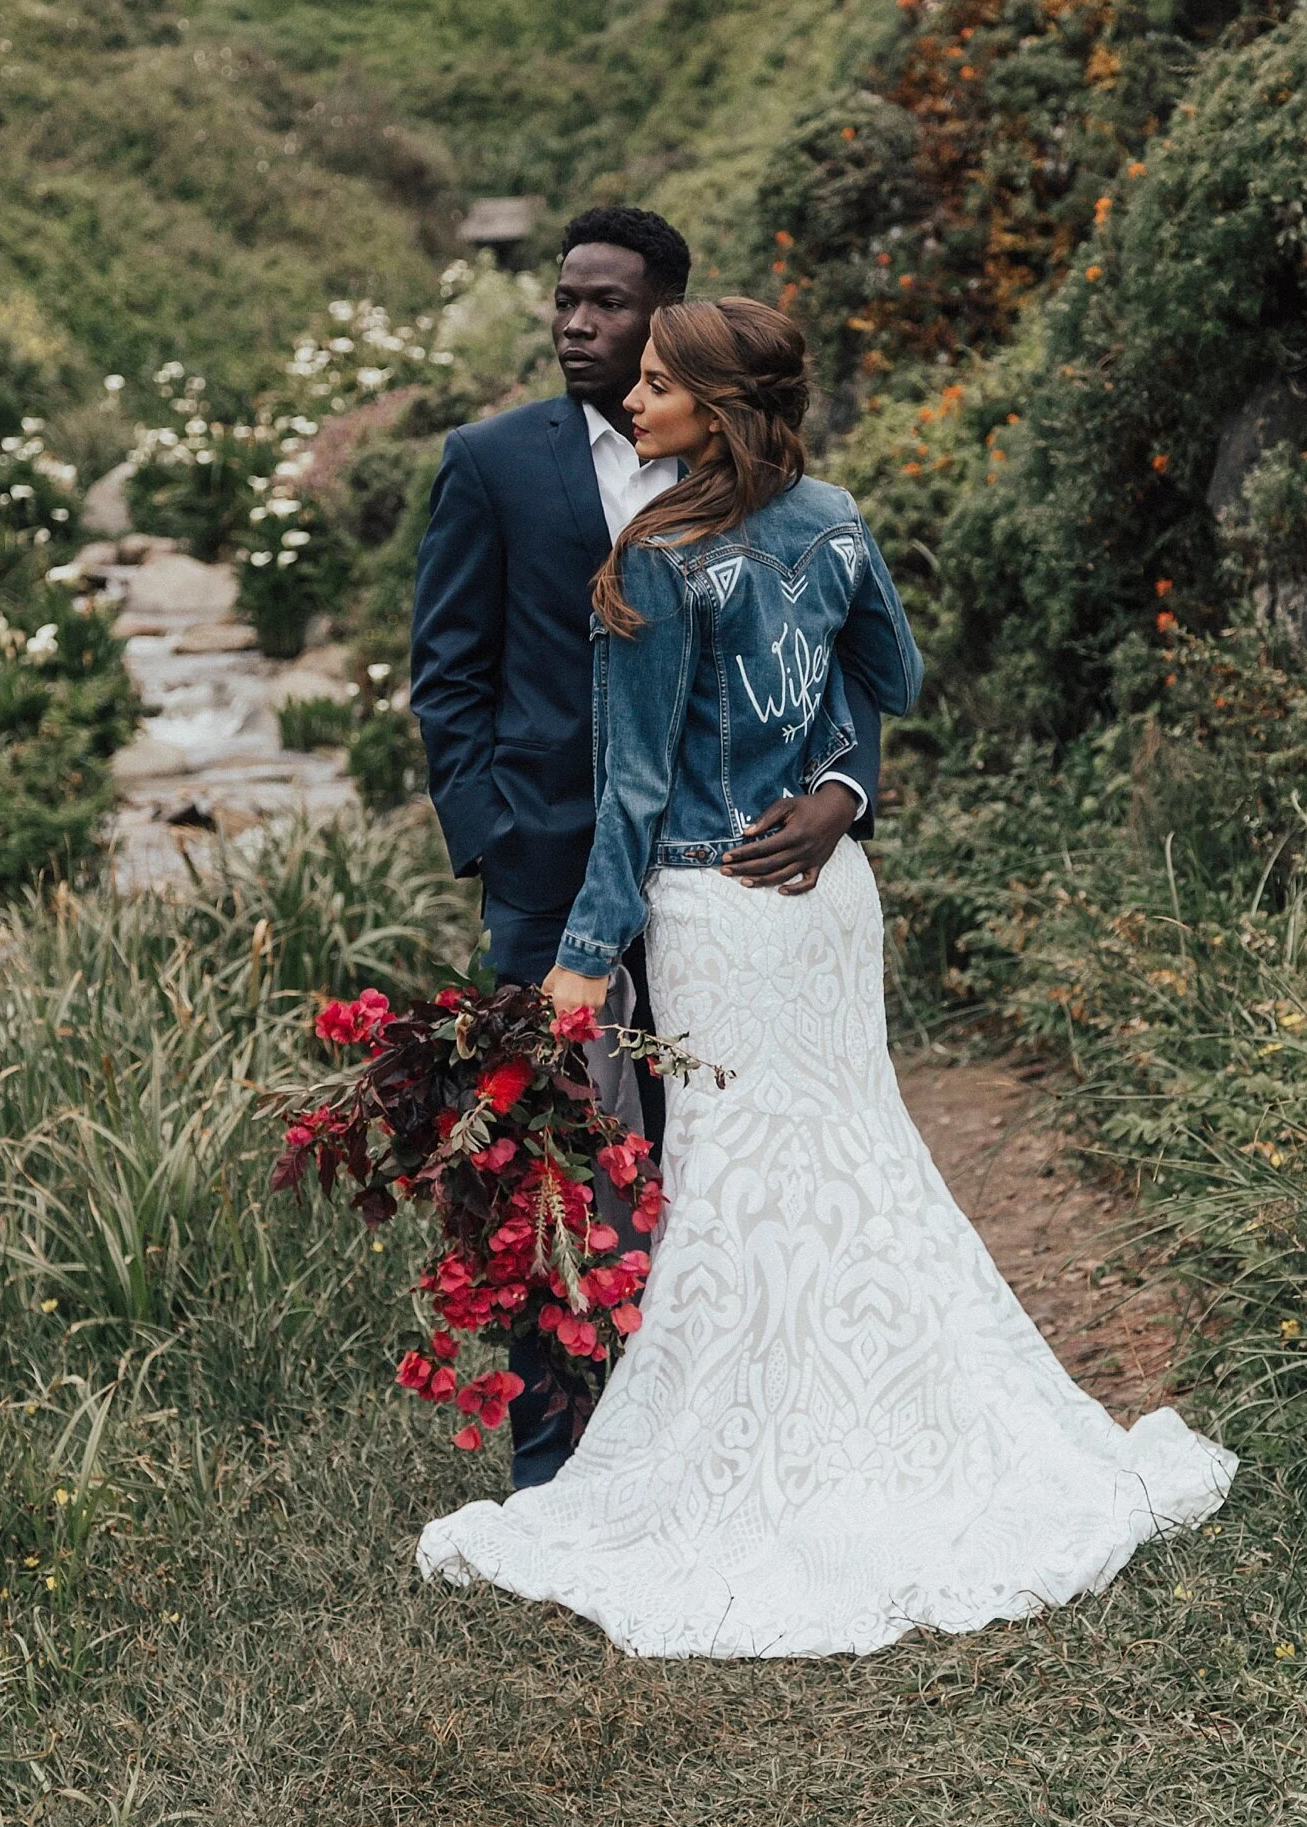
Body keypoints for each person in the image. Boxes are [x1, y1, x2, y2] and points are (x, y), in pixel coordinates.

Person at [417, 296, 1236, 1659]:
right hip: (825, 897)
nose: (635, 398)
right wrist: (842, 787)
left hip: (717, 901)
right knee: (857, 1157)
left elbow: (628, 792)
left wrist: (575, 958)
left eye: (664, 384)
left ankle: (754, 1457)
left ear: (720, 411)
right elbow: (894, 675)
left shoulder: (658, 558)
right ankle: (907, 1428)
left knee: (740, 1177)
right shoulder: (837, 520)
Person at [410, 208, 882, 1488]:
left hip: (727, 885)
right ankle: (556, 1463)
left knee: (713, 1157)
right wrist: (496, 838)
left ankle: (710, 1436)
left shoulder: (750, 476)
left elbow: (834, 665)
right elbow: (446, 678)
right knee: (553, 1163)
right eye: (564, 300)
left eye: (607, 304)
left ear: (666, 315)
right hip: (550, 866)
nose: (574, 323)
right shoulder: (493, 462)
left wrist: (846, 787)